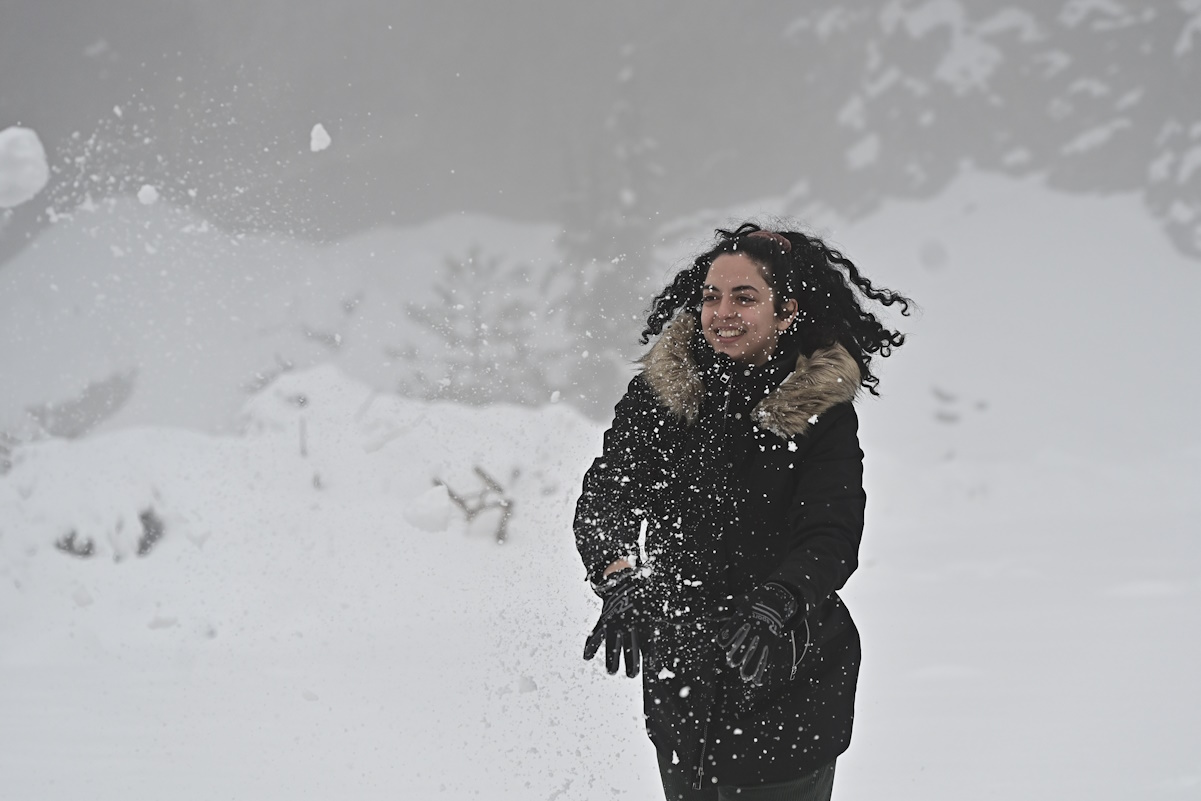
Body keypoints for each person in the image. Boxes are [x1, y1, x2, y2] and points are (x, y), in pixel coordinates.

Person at [574, 222, 912, 800]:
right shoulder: (663, 397)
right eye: (711, 296)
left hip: (788, 679)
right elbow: (610, 491)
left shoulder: (819, 412)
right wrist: (618, 575)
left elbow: (830, 530)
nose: (721, 311)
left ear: (786, 313)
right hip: (681, 676)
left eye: (744, 297)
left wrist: (777, 606)